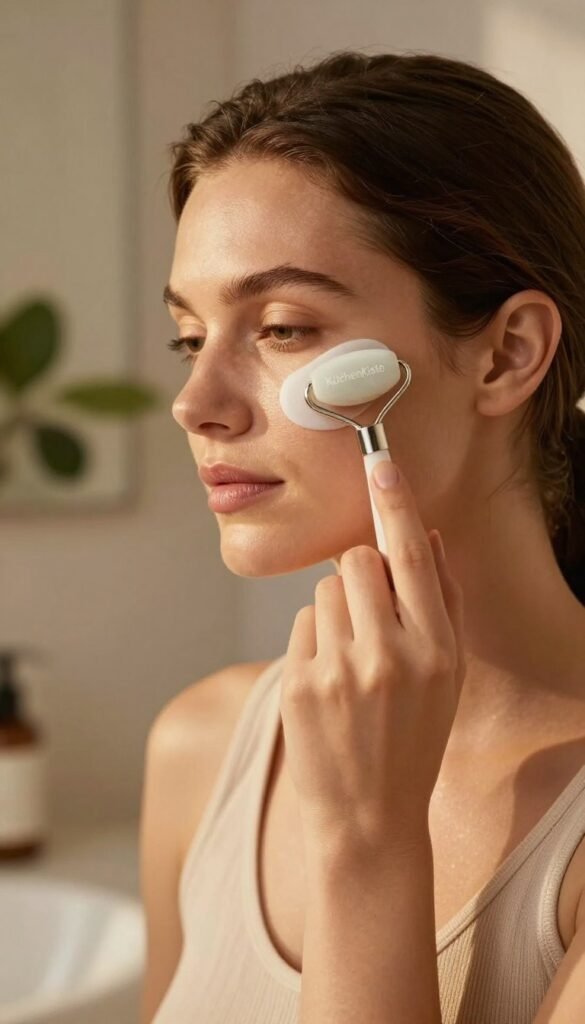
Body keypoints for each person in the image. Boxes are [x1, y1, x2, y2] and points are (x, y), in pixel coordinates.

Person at [139, 50, 585, 1024]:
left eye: (285, 327)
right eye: (189, 336)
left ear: (507, 354)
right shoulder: (203, 747)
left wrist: (370, 845)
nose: (195, 402)